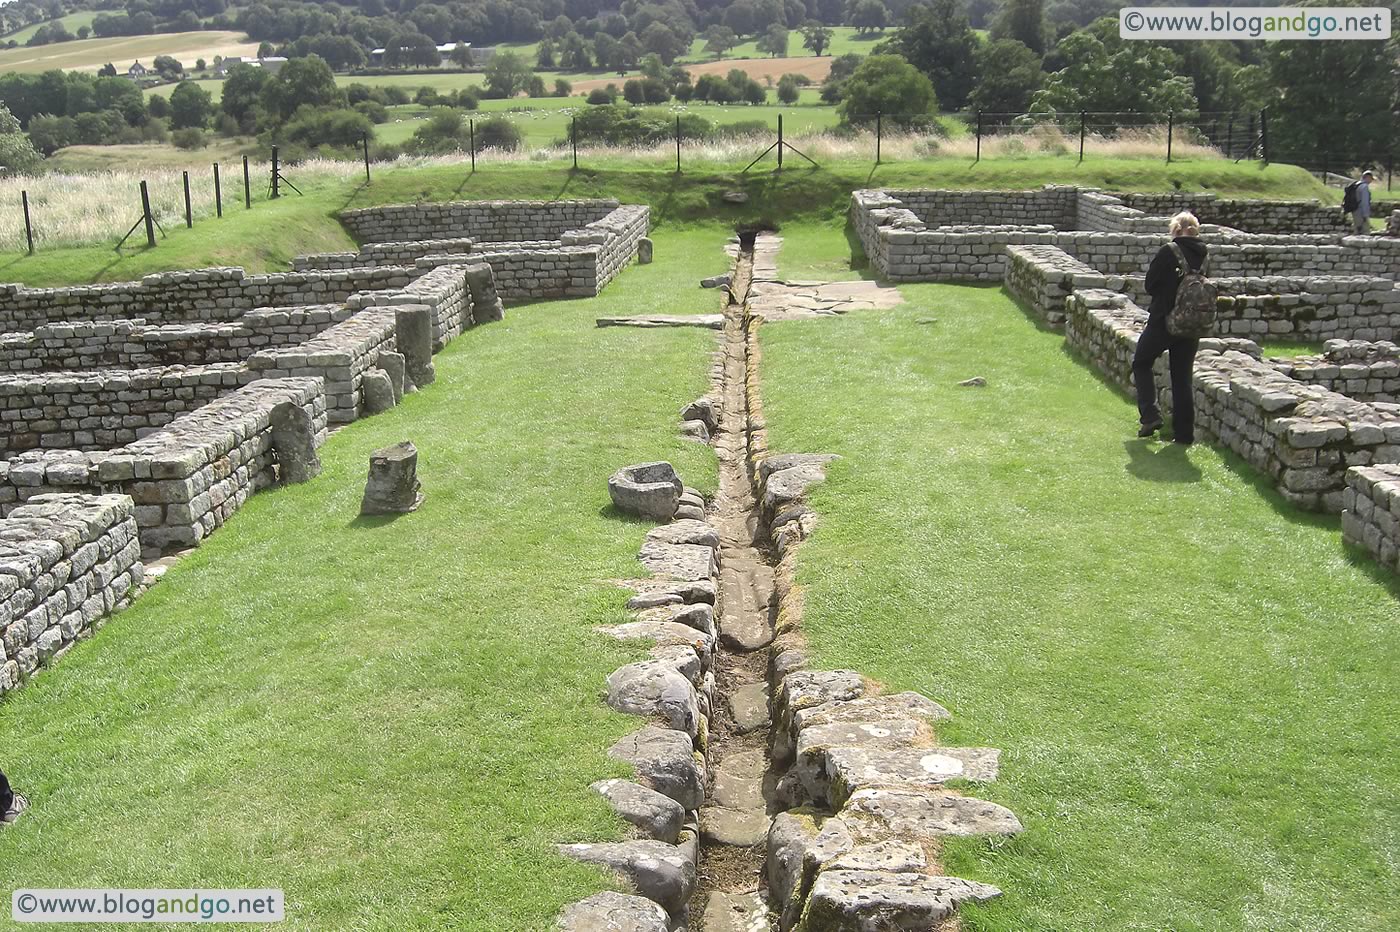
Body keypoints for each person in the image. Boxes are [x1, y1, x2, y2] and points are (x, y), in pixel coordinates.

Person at [1132, 211, 1208, 446]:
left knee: (1141, 362)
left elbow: (1150, 284)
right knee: (1182, 378)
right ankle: (1184, 435)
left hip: (1164, 320)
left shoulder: (1169, 251)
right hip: (1192, 323)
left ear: (1175, 230)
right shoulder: (1204, 254)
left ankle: (1150, 415)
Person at [1351, 170, 1375, 234]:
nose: (1371, 181)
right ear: (1367, 177)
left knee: (1357, 231)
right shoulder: (1364, 187)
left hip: (1355, 211)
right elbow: (1364, 202)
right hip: (1361, 212)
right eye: (1371, 179)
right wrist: (1365, 215)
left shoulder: (1357, 184)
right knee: (1365, 232)